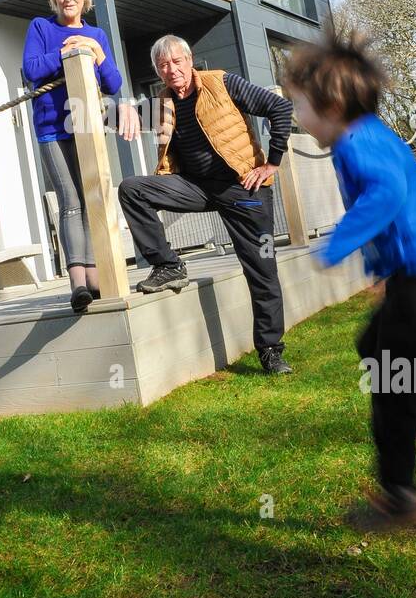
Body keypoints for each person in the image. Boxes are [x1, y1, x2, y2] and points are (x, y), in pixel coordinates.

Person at [282, 26, 416, 532]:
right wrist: (383, 272)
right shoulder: (370, 135)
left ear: (330, 106)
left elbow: (386, 194)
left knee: (390, 384)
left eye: (299, 106)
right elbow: (398, 210)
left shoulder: (353, 144)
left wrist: (339, 242)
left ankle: (402, 498)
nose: (297, 119)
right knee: (377, 347)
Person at [117, 35, 294, 375]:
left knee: (262, 268)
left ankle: (271, 351)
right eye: (163, 65)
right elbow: (120, 119)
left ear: (190, 60)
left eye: (177, 62)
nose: (171, 70)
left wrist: (272, 163)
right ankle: (168, 264)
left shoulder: (222, 83)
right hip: (195, 187)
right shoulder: (163, 101)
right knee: (132, 189)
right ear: (158, 70)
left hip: (243, 188)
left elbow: (280, 108)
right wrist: (122, 106)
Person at [22, 0, 139, 314]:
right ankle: (77, 283)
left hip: (87, 125)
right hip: (52, 128)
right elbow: (31, 69)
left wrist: (93, 49)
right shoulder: (41, 27)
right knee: (71, 201)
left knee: (91, 199)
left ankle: (94, 279)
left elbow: (114, 84)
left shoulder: (97, 34)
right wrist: (66, 52)